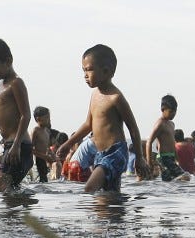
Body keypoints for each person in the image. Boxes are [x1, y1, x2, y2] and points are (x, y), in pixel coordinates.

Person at [57, 44, 147, 193]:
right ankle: (116, 216)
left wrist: (139, 157)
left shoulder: (116, 98)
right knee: (110, 195)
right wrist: (68, 144)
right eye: (83, 70)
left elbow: (133, 128)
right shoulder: (95, 95)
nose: (85, 75)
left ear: (106, 71)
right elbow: (88, 124)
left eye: (89, 70)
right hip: (100, 154)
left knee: (90, 188)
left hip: (115, 153)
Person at [0, 39, 32, 192]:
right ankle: (21, 213)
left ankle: (16, 214)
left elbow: (25, 115)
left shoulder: (16, 83)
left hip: (20, 146)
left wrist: (16, 145)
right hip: (11, 146)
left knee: (3, 187)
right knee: (9, 189)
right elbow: (8, 119)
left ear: (8, 61)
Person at [146, 94, 189, 182]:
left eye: (175, 111)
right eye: (171, 111)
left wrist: (177, 159)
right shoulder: (160, 124)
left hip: (171, 157)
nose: (174, 114)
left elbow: (173, 143)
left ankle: (167, 195)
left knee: (169, 181)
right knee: (185, 177)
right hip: (163, 158)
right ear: (163, 109)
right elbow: (149, 142)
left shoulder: (171, 124)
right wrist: (149, 162)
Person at [31, 106, 55, 182]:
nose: (49, 120)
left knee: (45, 181)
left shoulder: (47, 131)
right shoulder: (35, 131)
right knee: (41, 181)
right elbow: (29, 149)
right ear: (38, 119)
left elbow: (47, 147)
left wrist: (52, 156)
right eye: (47, 117)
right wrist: (44, 156)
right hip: (37, 161)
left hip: (45, 161)